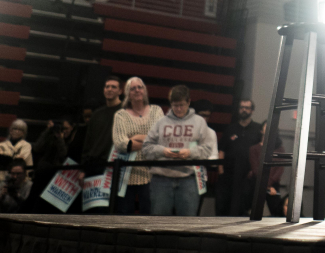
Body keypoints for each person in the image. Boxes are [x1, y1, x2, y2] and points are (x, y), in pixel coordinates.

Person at [143, 85, 216, 216]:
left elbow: (208, 149)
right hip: (161, 178)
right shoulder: (161, 122)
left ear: (189, 102)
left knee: (187, 224)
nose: (179, 109)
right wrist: (163, 151)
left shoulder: (199, 122)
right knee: (158, 223)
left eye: (182, 105)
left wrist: (190, 153)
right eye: (175, 105)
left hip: (189, 178)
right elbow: (146, 148)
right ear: (170, 104)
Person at [112, 76, 163, 214]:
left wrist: (135, 138)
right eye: (132, 88)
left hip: (152, 174)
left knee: (150, 216)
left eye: (140, 87)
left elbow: (161, 138)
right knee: (125, 217)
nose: (137, 90)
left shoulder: (156, 111)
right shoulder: (120, 115)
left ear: (145, 90)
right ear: (127, 93)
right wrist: (150, 142)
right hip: (127, 175)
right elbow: (121, 143)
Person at [216, 99, 263, 217]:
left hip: (248, 175)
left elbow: (261, 151)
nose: (244, 110)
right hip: (228, 174)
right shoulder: (230, 129)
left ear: (252, 111)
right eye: (242, 107)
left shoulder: (258, 129)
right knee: (224, 206)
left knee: (243, 208)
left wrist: (255, 171)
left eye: (247, 108)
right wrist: (221, 171)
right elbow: (221, 150)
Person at [0, 120, 33, 213]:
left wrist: (3, 158)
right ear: (10, 130)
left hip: (17, 180)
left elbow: (19, 160)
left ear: (24, 132)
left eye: (20, 129)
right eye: (14, 129)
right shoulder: (1, 145)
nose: (16, 131)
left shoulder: (26, 146)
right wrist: (8, 158)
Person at [82, 76, 122, 179]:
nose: (109, 89)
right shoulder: (96, 114)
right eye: (107, 86)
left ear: (120, 91)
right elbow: (88, 142)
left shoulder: (126, 112)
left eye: (113, 87)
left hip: (114, 164)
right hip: (93, 165)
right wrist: (83, 168)